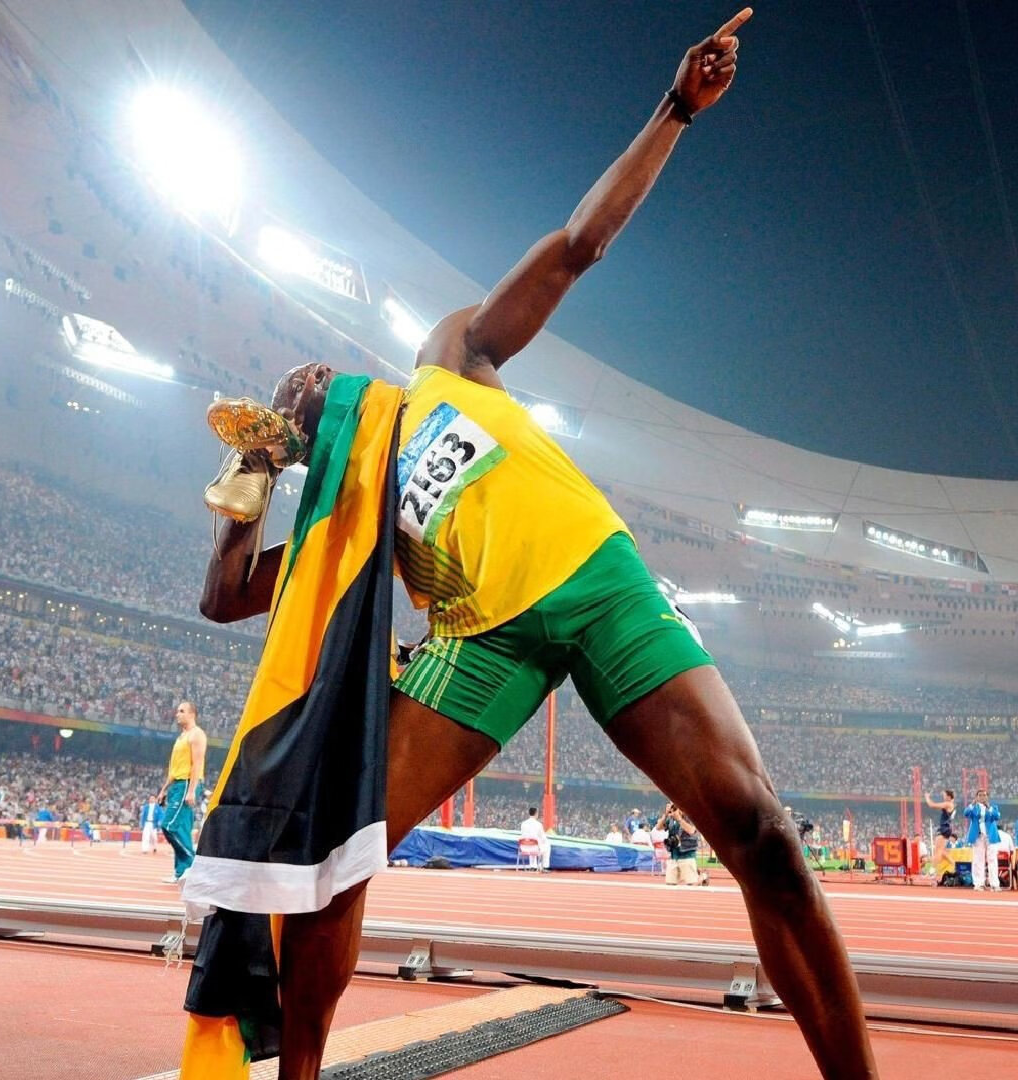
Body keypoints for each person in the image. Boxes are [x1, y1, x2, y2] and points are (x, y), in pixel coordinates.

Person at [195, 14, 875, 1077]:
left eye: (312, 375)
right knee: (331, 858)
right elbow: (228, 597)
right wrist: (254, 474)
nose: (306, 385)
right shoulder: (349, 524)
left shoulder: (448, 360)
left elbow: (574, 251)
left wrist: (675, 112)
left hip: (598, 584)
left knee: (765, 835)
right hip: (480, 642)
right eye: (297, 399)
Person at [159, 701, 208, 884]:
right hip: (177, 784)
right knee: (183, 830)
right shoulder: (181, 737)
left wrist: (192, 790)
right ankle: (181, 872)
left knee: (169, 826)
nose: (177, 714)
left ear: (192, 714)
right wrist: (164, 789)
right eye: (177, 711)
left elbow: (197, 763)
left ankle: (194, 864)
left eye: (181, 711)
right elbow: (174, 767)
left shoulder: (197, 735)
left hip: (187, 784)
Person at [963, 788, 1002, 891]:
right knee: (978, 860)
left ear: (987, 797)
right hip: (978, 836)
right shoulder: (973, 808)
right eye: (980, 795)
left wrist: (988, 807)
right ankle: (979, 883)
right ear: (976, 797)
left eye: (984, 795)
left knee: (992, 859)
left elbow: (997, 816)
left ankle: (994, 884)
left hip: (991, 836)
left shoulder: (993, 807)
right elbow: (966, 813)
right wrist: (972, 804)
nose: (982, 797)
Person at [924, 788, 957, 877]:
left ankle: (931, 872)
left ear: (949, 797)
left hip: (944, 828)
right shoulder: (951, 804)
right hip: (945, 828)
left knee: (937, 852)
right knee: (941, 851)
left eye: (945, 795)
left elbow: (932, 805)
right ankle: (954, 864)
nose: (944, 797)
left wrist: (927, 797)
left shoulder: (948, 804)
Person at [518, 806, 549, 872]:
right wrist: (544, 841)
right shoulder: (538, 824)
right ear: (536, 813)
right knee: (547, 845)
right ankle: (545, 866)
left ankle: (533, 866)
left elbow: (523, 835)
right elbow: (543, 837)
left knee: (532, 844)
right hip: (535, 848)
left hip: (524, 848)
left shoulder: (523, 824)